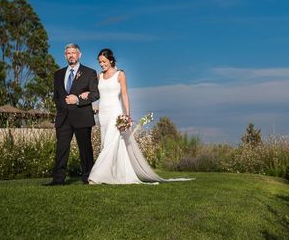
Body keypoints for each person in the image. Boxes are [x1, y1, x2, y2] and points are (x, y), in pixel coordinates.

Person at [86, 48, 192, 184]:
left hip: (115, 113)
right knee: (107, 143)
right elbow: (94, 93)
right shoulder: (99, 76)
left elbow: (124, 95)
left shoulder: (120, 74)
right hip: (103, 114)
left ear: (111, 60)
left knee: (110, 143)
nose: (102, 64)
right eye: (100, 62)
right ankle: (116, 174)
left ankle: (97, 176)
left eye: (104, 61)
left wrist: (127, 115)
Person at [45, 44, 99, 186]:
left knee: (85, 150)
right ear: (65, 56)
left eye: (73, 53)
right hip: (63, 118)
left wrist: (78, 100)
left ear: (79, 54)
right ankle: (58, 180)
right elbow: (56, 96)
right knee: (61, 150)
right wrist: (63, 107)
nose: (71, 55)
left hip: (82, 117)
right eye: (68, 53)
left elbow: (95, 94)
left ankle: (88, 178)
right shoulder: (58, 74)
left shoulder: (89, 72)